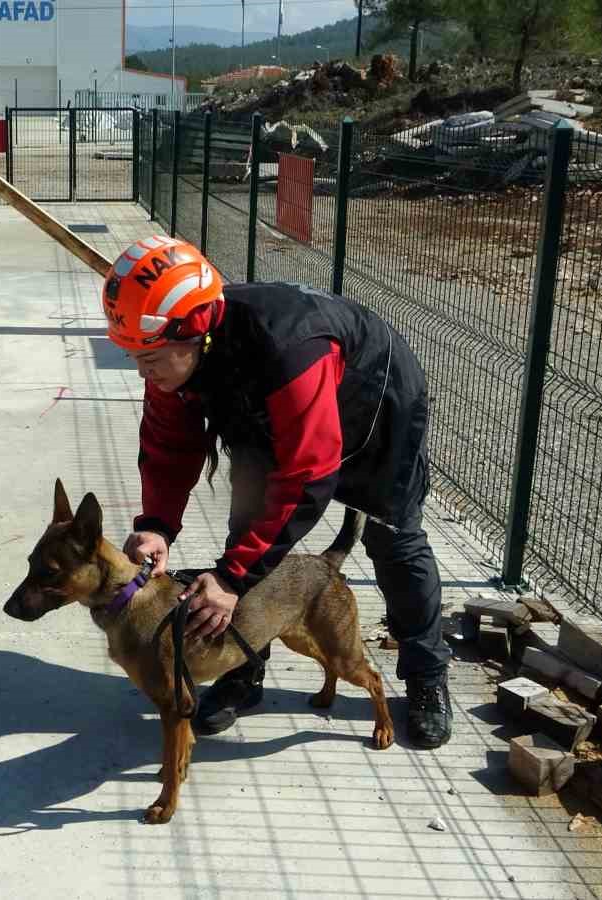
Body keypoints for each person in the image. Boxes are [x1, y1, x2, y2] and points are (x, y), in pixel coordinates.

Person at [104, 236, 453, 749]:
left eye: (148, 357)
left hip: (375, 412)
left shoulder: (290, 347)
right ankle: (243, 669)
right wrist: (156, 522)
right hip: (268, 414)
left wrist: (230, 576)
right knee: (247, 529)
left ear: (194, 331)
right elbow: (167, 443)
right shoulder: (178, 358)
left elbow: (309, 475)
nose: (141, 371)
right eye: (133, 356)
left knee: (394, 542)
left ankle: (425, 675)